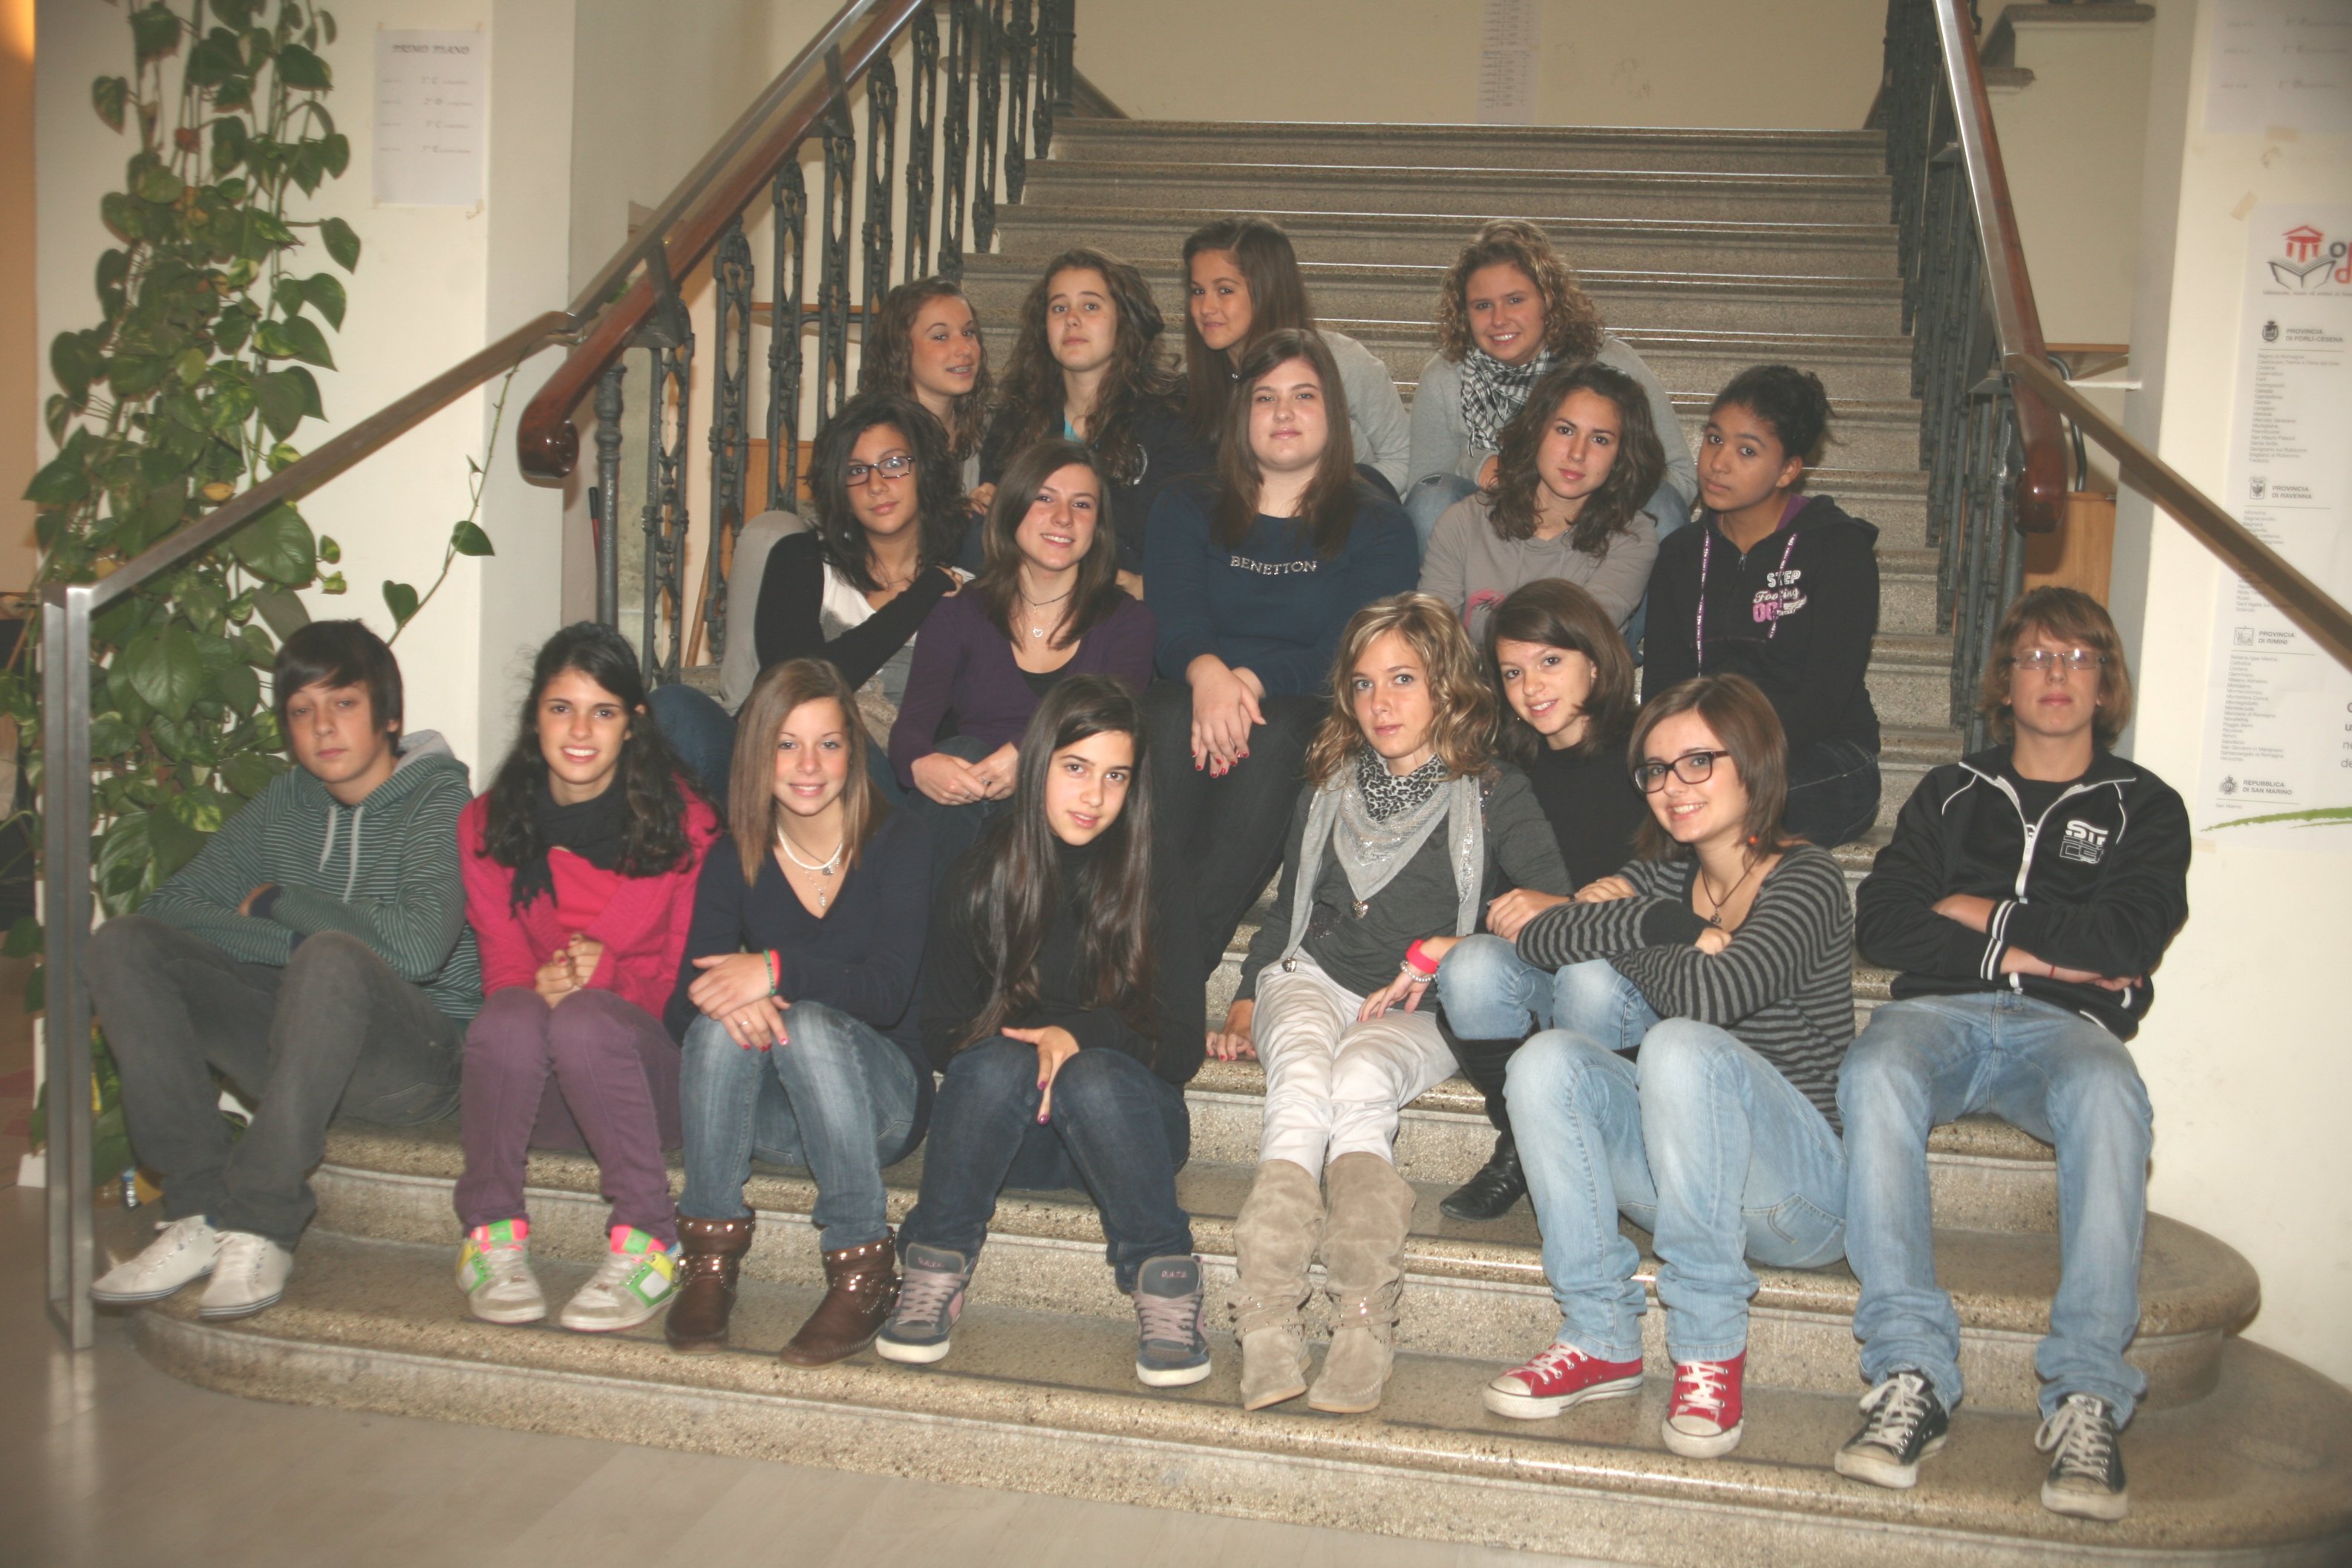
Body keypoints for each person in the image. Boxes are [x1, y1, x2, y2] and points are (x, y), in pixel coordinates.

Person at [1834, 588, 2188, 1523]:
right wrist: (2035, 953)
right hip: (1939, 1015)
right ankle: (1911, 1371)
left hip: (2066, 1033)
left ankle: (2088, 1392)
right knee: (1874, 1072)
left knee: (2111, 1095)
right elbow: (1884, 923)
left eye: (2078, 657)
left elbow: (2127, 937)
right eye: (2035, 656)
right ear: (2004, 682)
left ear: (2106, 684)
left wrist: (1981, 913)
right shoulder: (1952, 792)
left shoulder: (2146, 807)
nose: (2056, 674)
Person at [1480, 673, 1852, 1463]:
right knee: (1545, 1061)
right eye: (1655, 770)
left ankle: (1709, 1348)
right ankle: (1600, 1334)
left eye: (1698, 762)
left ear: (1754, 762)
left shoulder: (1809, 878)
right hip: (1691, 1184)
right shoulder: (1660, 880)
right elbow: (1541, 938)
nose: (1672, 787)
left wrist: (1619, 926)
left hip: (1800, 1197)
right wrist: (1662, 921)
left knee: (1679, 1044)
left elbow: (1714, 996)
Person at [1215, 593, 1572, 1415]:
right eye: (1365, 683)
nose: (1381, 703)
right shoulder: (1327, 785)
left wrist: (1458, 945)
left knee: (1359, 1080)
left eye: (1404, 679)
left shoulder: (1494, 791)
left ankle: (1363, 1320)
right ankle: (1265, 1316)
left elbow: (1555, 905)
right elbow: (1287, 911)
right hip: (1313, 974)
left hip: (1422, 1002)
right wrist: (1246, 993)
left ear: (1447, 685)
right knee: (1302, 1080)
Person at [87, 622, 480, 1321]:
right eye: (302, 710)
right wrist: (290, 941)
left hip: (415, 1065)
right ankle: (199, 1210)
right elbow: (170, 907)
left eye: (344, 704)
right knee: (125, 943)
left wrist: (282, 903)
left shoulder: (440, 802)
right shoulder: (284, 803)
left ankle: (263, 1220)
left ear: (390, 716)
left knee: (329, 957)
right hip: (294, 1045)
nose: (323, 727)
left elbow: (418, 950)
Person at [878, 678, 1210, 1387]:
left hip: (1133, 1131)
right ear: (1037, 766)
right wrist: (1027, 1045)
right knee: (990, 1065)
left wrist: (1078, 1036)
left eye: (1115, 775)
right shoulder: (979, 873)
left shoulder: (1157, 876)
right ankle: (935, 1266)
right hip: (1012, 1140)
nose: (1094, 795)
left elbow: (1183, 1049)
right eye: (1076, 768)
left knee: (1092, 1074)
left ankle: (1166, 1276)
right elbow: (938, 1033)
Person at [451, 623, 720, 1333]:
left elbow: (685, 1000)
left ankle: (649, 1240)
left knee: (586, 1017)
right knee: (509, 1014)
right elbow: (503, 968)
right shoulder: (486, 825)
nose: (579, 731)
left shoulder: (689, 828)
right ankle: (490, 1234)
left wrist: (610, 981)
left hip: (648, 1088)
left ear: (633, 725)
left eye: (602, 711)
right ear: (534, 717)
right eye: (560, 708)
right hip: (542, 1094)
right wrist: (535, 990)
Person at [664, 659, 932, 1364]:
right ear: (758, 754)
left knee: (804, 1020)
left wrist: (775, 971)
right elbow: (681, 1008)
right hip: (782, 1121)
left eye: (828, 744)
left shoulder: (900, 842)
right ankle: (709, 1257)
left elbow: (889, 994)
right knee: (719, 1022)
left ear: (853, 752)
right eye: (787, 744)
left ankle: (863, 1267)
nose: (808, 765)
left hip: (882, 1107)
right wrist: (741, 1003)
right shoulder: (734, 856)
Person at [1143, 329, 1420, 973]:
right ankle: (1137, 936)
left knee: (1282, 732)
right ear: (1242, 415)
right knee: (1164, 713)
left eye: (1304, 395)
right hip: (1192, 694)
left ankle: (1170, 966)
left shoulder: (1379, 523)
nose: (1284, 412)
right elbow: (1173, 621)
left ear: (1334, 413)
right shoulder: (1186, 503)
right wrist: (1209, 674)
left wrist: (1247, 680)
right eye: (1265, 397)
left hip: (1307, 702)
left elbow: (1350, 652)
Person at [1431, 579, 1651, 1221]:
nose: (1531, 686)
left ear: (1596, 660)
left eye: (1550, 661)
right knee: (1470, 965)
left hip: (1632, 974)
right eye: (1512, 672)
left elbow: (1688, 877)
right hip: (1540, 967)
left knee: (1588, 976)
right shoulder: (1506, 765)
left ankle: (1576, 1145)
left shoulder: (1652, 749)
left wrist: (1574, 906)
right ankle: (1526, 1137)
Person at [647, 392, 970, 803]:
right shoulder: (802, 559)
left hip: (881, 786)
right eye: (856, 470)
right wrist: (919, 597)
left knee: (843, 740)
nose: (876, 485)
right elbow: (799, 686)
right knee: (673, 705)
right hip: (772, 766)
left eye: (893, 464)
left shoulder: (964, 594)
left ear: (925, 471)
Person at [889, 439, 1155, 876]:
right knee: (959, 755)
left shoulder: (1129, 623)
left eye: (1082, 505)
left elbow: (1108, 722)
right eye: (1044, 498)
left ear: (1098, 527)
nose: (1064, 518)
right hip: (974, 801)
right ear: (1012, 509)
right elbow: (912, 726)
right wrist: (922, 764)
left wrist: (1029, 753)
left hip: (1075, 803)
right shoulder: (958, 613)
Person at [1641, 364, 1881, 848]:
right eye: (1714, 439)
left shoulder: (1836, 548)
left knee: (1728, 806)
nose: (1718, 463)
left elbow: (1824, 699)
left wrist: (1728, 759)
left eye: (1747, 450)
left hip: (1821, 756)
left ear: (1788, 469)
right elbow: (1664, 688)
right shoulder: (1680, 555)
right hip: (1704, 759)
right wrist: (1688, 759)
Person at [1403, 219, 1692, 555]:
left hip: (1597, 531)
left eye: (1515, 300)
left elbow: (1682, 478)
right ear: (1463, 313)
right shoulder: (1446, 376)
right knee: (1432, 498)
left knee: (1662, 503)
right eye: (1482, 305)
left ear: (1548, 299)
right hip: (1495, 535)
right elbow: (1424, 488)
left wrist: (1587, 493)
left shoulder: (1611, 364)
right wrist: (1478, 465)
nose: (1498, 319)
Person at [981, 246, 1209, 591]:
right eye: (1059, 308)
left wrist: (1153, 588)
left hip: (1136, 605)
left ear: (1124, 320)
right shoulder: (1014, 422)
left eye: (1090, 306)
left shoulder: (1174, 416)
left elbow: (1195, 531)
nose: (1072, 319)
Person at [1418, 360, 1665, 643]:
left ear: (1621, 454)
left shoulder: (1631, 539)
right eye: (1565, 430)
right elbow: (1434, 642)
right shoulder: (1463, 523)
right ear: (1536, 430)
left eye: (1600, 439)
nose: (1577, 453)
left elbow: (1574, 640)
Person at [1180, 215, 1411, 496]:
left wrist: (1334, 501)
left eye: (1225, 290)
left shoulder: (1342, 361)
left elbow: (1403, 457)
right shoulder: (1190, 382)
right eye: (1198, 291)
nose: (1206, 307)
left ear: (1268, 290)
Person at [858, 275, 996, 514]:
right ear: (901, 349)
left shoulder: (994, 433)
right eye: (940, 337)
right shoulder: (864, 436)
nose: (964, 349)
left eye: (969, 332)